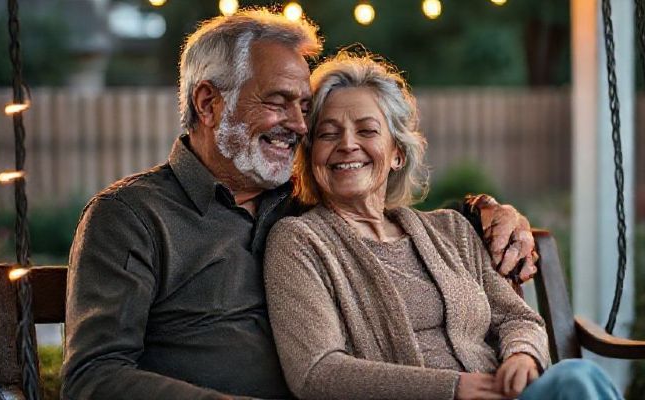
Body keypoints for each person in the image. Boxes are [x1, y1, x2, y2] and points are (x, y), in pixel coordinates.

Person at [61, 9, 538, 400]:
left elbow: (397, 218)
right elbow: (94, 376)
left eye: (304, 107)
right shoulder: (131, 216)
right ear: (208, 104)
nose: (299, 125)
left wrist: (486, 209)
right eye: (278, 102)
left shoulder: (297, 202)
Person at [264, 52, 624, 400]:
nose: (347, 145)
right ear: (311, 157)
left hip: (508, 394)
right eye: (327, 135)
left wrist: (522, 355)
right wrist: (455, 388)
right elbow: (317, 372)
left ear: (397, 153)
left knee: (577, 378)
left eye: (367, 130)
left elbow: (517, 317)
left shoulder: (452, 230)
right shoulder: (300, 242)